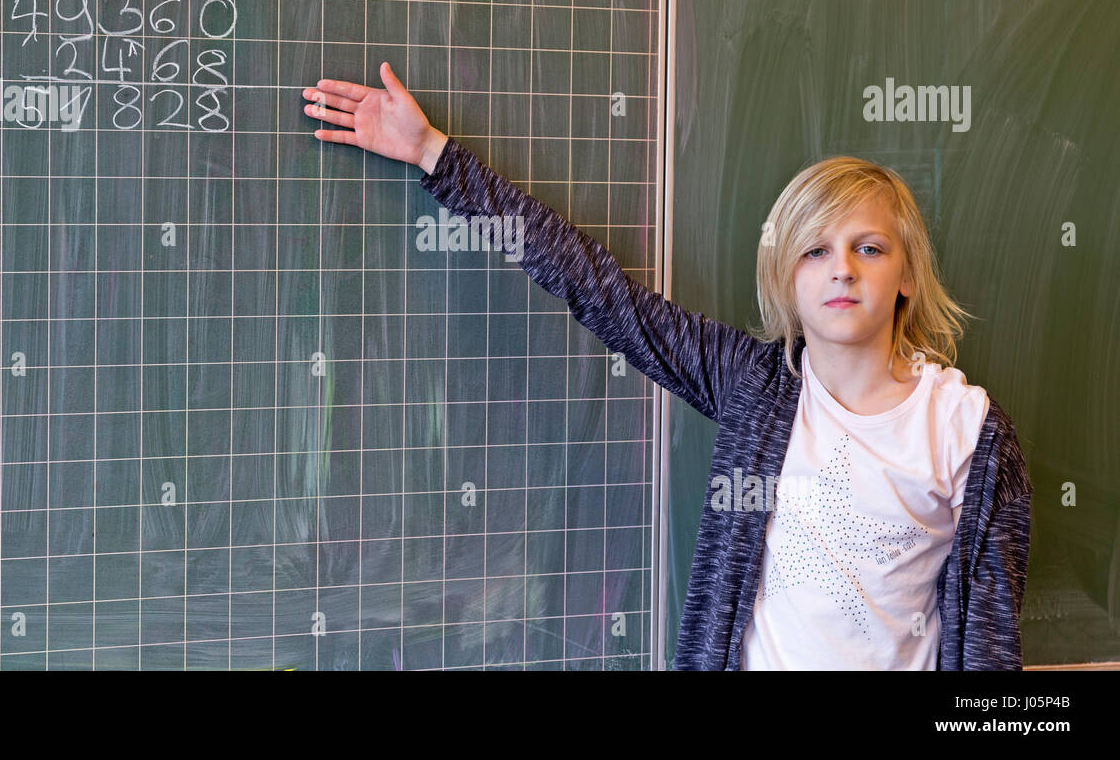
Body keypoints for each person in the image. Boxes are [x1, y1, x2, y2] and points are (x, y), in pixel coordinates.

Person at [301, 62, 1032, 670]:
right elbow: (597, 289)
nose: (841, 269)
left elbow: (990, 646)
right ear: (788, 279)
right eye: (816, 250)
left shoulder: (967, 433)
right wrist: (435, 155)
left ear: (906, 274)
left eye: (868, 248)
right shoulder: (754, 388)